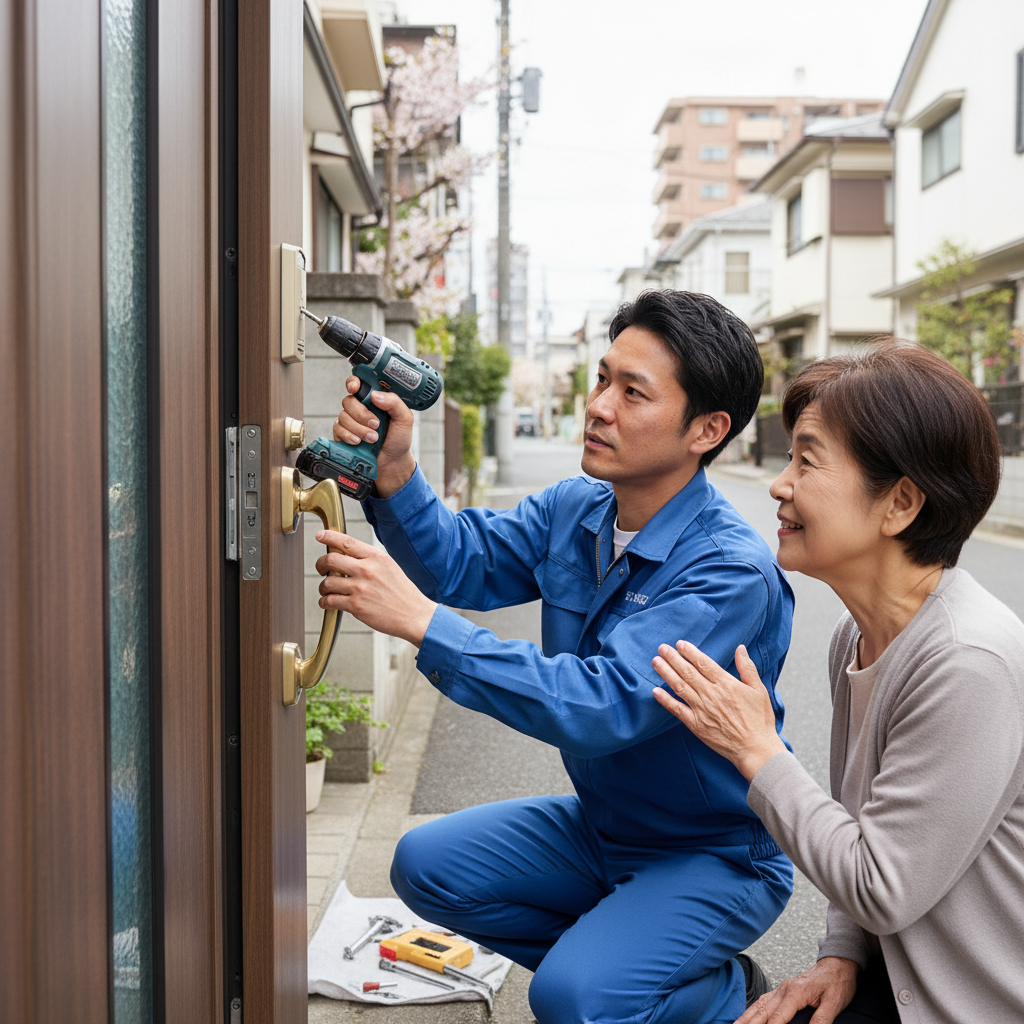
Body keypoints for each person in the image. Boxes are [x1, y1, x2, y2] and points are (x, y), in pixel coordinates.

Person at [316, 290, 796, 1024]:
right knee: (427, 866)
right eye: (602, 379)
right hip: (604, 827)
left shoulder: (728, 572)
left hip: (714, 855)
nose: (599, 406)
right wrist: (396, 470)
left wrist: (423, 625)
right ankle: (632, 970)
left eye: (633, 392)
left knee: (569, 999)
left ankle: (723, 991)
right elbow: (460, 564)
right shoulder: (579, 508)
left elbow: (600, 705)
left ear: (708, 428)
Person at [651, 340, 1024, 1024]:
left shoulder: (969, 659)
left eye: (808, 460)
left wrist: (759, 752)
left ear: (900, 504)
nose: (779, 483)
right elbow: (865, 829)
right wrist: (840, 956)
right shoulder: (857, 635)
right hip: (898, 979)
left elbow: (880, 883)